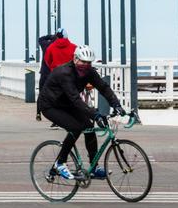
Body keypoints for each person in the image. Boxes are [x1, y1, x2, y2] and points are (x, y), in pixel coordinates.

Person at [38, 45, 125, 180]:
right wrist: (95, 115)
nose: (85, 65)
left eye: (88, 63)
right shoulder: (64, 73)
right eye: (83, 62)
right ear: (75, 59)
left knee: (89, 127)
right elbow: (76, 99)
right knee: (75, 127)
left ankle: (94, 168)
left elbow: (103, 87)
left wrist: (117, 105)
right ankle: (60, 163)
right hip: (51, 105)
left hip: (67, 104)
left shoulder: (89, 72)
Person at [36, 33, 57, 121]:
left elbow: (40, 39)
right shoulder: (57, 46)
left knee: (41, 93)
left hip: (44, 72)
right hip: (55, 73)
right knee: (56, 94)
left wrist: (50, 36)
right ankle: (56, 118)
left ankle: (38, 112)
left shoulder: (45, 45)